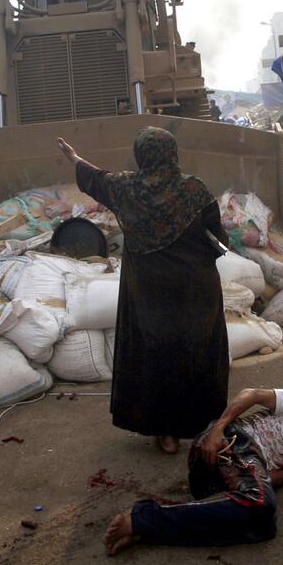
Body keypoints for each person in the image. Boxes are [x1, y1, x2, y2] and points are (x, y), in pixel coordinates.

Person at [57, 128, 229, 455]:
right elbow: (216, 232)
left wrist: (74, 158)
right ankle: (205, 424)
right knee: (197, 350)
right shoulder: (194, 189)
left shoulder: (125, 189)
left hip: (150, 292)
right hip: (196, 289)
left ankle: (166, 432)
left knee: (157, 355)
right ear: (172, 154)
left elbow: (95, 178)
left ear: (141, 156)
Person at [102, 385, 283, 555]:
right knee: (261, 503)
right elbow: (252, 395)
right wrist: (218, 429)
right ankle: (143, 517)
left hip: (217, 480)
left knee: (263, 525)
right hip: (232, 440)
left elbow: (271, 477)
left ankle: (150, 528)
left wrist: (272, 479)